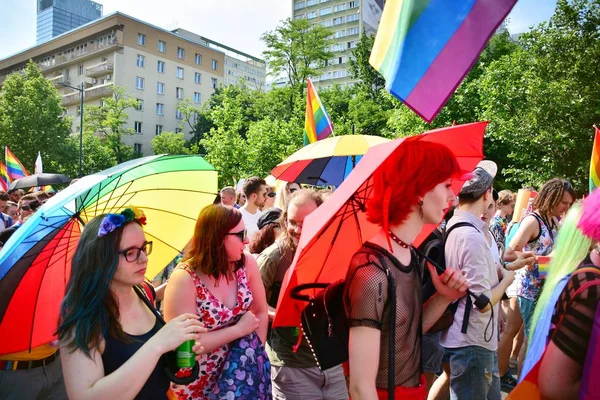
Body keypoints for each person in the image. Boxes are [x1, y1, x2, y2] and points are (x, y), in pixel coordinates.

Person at [343, 140, 470, 400]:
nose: (452, 197)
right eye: (446, 185)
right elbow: (360, 386)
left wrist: (444, 297)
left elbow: (403, 334)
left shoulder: (408, 251)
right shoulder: (371, 269)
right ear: (418, 191)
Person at [56, 207, 207, 400]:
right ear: (102, 258)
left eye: (144, 248)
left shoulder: (142, 291)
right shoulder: (82, 320)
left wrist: (175, 354)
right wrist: (158, 344)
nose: (144, 259)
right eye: (131, 252)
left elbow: (148, 368)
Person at [163, 204, 269, 399]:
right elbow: (185, 346)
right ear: (217, 237)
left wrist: (253, 356)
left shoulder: (246, 263)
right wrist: (238, 330)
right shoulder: (185, 278)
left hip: (242, 379)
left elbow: (261, 311)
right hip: (197, 384)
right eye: (240, 234)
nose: (246, 240)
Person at [259, 189, 349, 400]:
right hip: (291, 365)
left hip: (331, 360)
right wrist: (283, 315)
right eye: (292, 222)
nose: (297, 230)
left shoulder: (333, 251)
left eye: (305, 222)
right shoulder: (275, 257)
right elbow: (253, 303)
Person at [440, 162, 517, 400]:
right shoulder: (470, 235)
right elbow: (482, 301)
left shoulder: (458, 227)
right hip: (472, 342)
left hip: (474, 341)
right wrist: (507, 280)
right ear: (487, 194)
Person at [517, 192, 600, 399]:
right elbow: (555, 384)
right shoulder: (583, 285)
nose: (565, 207)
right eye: (563, 202)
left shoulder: (565, 280)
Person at [505, 178, 575, 374]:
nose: (566, 207)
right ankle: (519, 385)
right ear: (551, 197)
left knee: (529, 339)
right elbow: (510, 253)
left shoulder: (553, 221)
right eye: (564, 202)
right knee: (530, 340)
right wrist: (536, 258)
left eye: (569, 204)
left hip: (542, 288)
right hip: (528, 290)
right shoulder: (532, 221)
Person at [240, 176, 268, 241]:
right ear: (254, 196)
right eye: (264, 194)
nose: (266, 197)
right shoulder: (238, 217)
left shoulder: (262, 217)